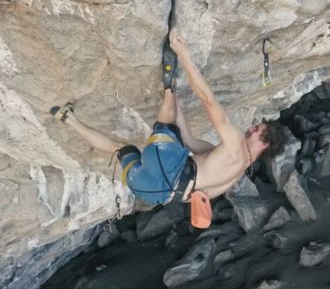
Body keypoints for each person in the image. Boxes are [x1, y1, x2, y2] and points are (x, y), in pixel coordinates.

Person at [50, 30, 286, 228]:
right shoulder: (234, 174)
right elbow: (189, 140)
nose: (251, 127)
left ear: (264, 143)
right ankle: (68, 118)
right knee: (121, 149)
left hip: (168, 171)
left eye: (257, 128)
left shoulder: (235, 144)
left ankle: (168, 87)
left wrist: (184, 55)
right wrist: (177, 108)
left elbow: (208, 100)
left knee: (165, 128)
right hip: (152, 191)